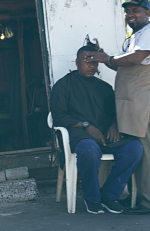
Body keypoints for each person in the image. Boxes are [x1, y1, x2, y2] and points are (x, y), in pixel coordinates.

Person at [83, 0, 150, 214]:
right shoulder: (134, 38)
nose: (130, 15)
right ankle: (136, 197)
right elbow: (122, 66)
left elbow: (134, 60)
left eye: (135, 11)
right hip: (130, 103)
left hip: (142, 102)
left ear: (147, 13)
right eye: (127, 12)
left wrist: (106, 57)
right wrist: (105, 58)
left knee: (146, 152)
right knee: (133, 151)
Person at [51, 43, 143, 214]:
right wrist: (86, 125)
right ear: (77, 62)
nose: (91, 66)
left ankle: (109, 195)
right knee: (89, 149)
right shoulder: (63, 85)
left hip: (105, 134)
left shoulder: (105, 88)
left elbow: (116, 112)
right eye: (87, 61)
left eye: (94, 62)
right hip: (80, 134)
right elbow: (59, 116)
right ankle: (92, 198)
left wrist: (115, 124)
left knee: (134, 148)